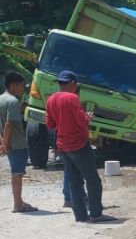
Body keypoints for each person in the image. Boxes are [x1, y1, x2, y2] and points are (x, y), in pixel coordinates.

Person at [45, 70, 112, 223]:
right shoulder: (73, 98)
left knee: (74, 182)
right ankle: (96, 214)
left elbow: (50, 124)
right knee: (93, 180)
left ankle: (80, 216)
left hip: (63, 147)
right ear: (73, 83)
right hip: (79, 145)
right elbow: (82, 122)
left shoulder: (51, 99)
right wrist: (87, 117)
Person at [0, 71, 37, 213]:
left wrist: (3, 141)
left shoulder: (1, 99)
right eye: (22, 86)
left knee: (16, 172)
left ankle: (19, 201)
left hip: (8, 142)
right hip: (17, 144)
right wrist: (5, 144)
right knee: (17, 173)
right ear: (14, 85)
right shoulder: (13, 101)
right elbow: (9, 124)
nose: (23, 89)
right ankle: (18, 204)